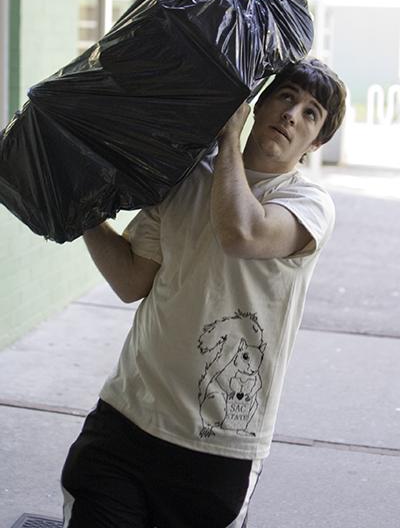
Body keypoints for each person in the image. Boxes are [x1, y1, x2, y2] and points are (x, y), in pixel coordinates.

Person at [61, 56, 347, 528]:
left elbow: (242, 233)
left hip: (218, 446)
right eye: (286, 97)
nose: (293, 114)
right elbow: (131, 281)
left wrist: (228, 137)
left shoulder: (307, 204)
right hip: (127, 418)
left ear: (316, 142)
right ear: (261, 103)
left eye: (311, 112)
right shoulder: (186, 178)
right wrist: (83, 210)